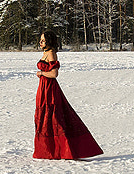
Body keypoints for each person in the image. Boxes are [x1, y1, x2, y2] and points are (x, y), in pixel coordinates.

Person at [33, 32, 103, 160]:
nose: (40, 42)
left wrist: (41, 73)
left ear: (49, 41)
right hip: (43, 88)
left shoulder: (51, 53)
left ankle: (61, 149)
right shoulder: (45, 53)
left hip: (49, 88)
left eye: (43, 40)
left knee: (54, 116)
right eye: (40, 40)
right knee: (44, 116)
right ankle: (48, 149)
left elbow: (54, 74)